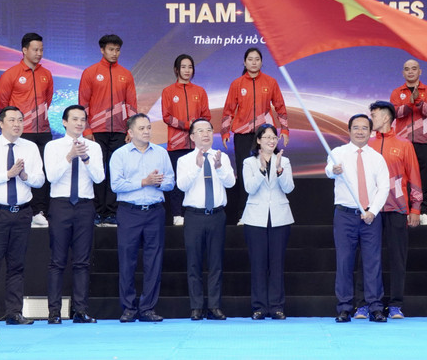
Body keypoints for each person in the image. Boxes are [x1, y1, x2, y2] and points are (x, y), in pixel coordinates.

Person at [0, 106, 45, 324]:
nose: (17, 124)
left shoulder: (31, 147)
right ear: (1, 123)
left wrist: (23, 175)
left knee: (17, 266)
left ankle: (14, 312)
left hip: (22, 213)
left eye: (21, 120)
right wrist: (8, 174)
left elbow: (40, 180)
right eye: (12, 120)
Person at [353, 101, 421, 319]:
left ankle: (394, 304)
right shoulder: (366, 144)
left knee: (396, 258)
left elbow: (415, 178)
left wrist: (415, 208)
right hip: (370, 210)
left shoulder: (403, 145)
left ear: (386, 118)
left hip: (397, 209)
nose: (370, 118)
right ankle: (363, 304)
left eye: (373, 114)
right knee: (367, 258)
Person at [110, 113, 174, 323]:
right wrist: (144, 182)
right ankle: (128, 308)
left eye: (148, 127)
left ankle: (147, 308)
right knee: (127, 260)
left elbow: (171, 183)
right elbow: (116, 185)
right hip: (129, 212)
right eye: (142, 128)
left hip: (155, 211)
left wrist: (158, 183)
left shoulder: (161, 153)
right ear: (130, 132)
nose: (147, 131)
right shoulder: (120, 155)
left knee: (153, 261)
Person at [326, 114, 390, 323]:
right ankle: (344, 307)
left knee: (373, 262)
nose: (360, 131)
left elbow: (384, 187)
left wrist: (374, 210)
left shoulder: (376, 157)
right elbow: (329, 171)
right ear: (349, 130)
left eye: (364, 128)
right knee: (344, 261)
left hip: (370, 216)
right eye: (356, 127)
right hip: (345, 215)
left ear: (371, 132)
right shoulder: (338, 153)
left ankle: (375, 308)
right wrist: (334, 170)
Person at [43, 105, 104, 324]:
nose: (79, 123)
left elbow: (99, 178)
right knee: (57, 261)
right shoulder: (53, 146)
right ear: (65, 122)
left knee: (82, 261)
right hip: (61, 204)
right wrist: (69, 156)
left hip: (85, 205)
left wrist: (86, 159)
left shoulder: (94, 147)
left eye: (83, 120)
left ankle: (80, 310)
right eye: (75, 119)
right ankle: (54, 312)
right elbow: (51, 176)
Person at [221, 47, 289, 224]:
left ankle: (269, 213)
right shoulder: (237, 84)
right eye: (250, 59)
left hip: (265, 135)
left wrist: (285, 130)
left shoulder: (270, 82)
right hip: (243, 136)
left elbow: (280, 108)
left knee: (268, 171)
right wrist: (224, 132)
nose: (253, 62)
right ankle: (244, 214)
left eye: (257, 59)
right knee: (246, 174)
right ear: (244, 62)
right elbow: (228, 110)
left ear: (261, 62)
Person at [177, 118, 236, 321]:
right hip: (194, 216)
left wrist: (219, 167)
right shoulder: (184, 160)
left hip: (217, 216)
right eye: (200, 131)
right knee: (194, 263)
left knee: (216, 263)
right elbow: (182, 186)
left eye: (209, 130)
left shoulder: (222, 157)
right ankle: (196, 307)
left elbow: (231, 183)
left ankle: (214, 306)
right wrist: (197, 166)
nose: (206, 134)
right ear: (192, 136)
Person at [79, 34, 137, 227]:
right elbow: (83, 104)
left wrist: (131, 129)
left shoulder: (126, 74)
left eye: (117, 50)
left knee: (115, 172)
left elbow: (131, 104)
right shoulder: (90, 72)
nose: (114, 53)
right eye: (111, 49)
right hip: (96, 131)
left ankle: (111, 213)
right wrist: (87, 131)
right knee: (96, 171)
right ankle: (96, 211)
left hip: (120, 131)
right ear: (102, 50)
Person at [0, 32, 54, 228]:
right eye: (35, 50)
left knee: (40, 173)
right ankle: (23, 210)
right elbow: (2, 105)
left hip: (43, 131)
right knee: (21, 171)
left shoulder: (46, 74)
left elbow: (48, 100)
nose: (39, 53)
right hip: (22, 132)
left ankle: (39, 211)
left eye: (41, 50)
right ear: (24, 50)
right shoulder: (10, 74)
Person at [241, 123, 294, 320]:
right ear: (258, 141)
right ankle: (259, 307)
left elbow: (289, 188)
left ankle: (277, 307)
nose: (271, 141)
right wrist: (262, 170)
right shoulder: (249, 162)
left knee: (277, 264)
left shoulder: (285, 161)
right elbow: (249, 188)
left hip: (279, 218)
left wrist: (279, 170)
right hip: (256, 219)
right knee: (258, 264)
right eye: (267, 137)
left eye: (274, 137)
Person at [161, 54, 211, 226]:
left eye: (190, 67)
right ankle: (177, 214)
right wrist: (187, 125)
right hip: (176, 144)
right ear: (176, 69)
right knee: (177, 180)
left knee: (197, 178)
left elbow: (206, 116)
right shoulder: (168, 91)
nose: (187, 70)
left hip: (196, 145)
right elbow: (166, 117)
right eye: (183, 67)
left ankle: (195, 211)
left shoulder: (200, 91)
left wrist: (197, 128)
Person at [390, 59, 427, 225]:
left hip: (423, 143)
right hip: (402, 143)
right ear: (403, 73)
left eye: (414, 69)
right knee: (402, 179)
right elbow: (396, 113)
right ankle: (405, 211)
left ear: (420, 71)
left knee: (424, 179)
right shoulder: (397, 92)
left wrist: (417, 100)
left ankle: (424, 212)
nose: (410, 72)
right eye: (407, 69)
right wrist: (411, 100)